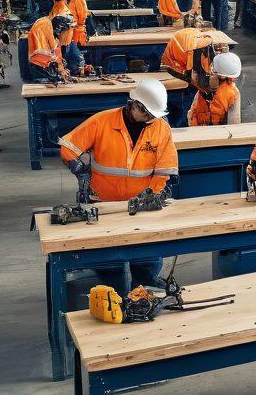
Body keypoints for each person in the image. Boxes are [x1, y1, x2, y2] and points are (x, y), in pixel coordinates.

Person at [59, 79, 178, 290]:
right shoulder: (102, 121)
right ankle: (114, 291)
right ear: (134, 104)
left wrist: (152, 195)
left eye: (154, 115)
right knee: (109, 263)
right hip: (104, 205)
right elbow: (68, 146)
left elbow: (165, 169)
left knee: (147, 256)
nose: (151, 119)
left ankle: (144, 286)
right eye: (147, 114)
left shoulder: (161, 129)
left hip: (142, 207)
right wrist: (79, 170)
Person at [188, 52, 242, 126]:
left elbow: (193, 114)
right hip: (221, 132)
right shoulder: (233, 92)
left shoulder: (202, 87)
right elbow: (234, 122)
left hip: (200, 130)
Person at [48, 0, 83, 76]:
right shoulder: (63, 8)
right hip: (67, 43)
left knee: (63, 69)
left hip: (62, 46)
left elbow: (53, 35)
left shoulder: (59, 12)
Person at [27, 14, 74, 82]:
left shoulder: (46, 22)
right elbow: (54, 50)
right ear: (59, 27)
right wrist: (61, 69)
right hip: (41, 64)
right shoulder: (47, 26)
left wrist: (61, 66)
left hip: (37, 63)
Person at [66, 0, 90, 68]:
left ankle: (80, 63)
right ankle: (78, 65)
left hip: (76, 28)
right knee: (73, 47)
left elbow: (81, 15)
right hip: (77, 28)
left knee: (73, 47)